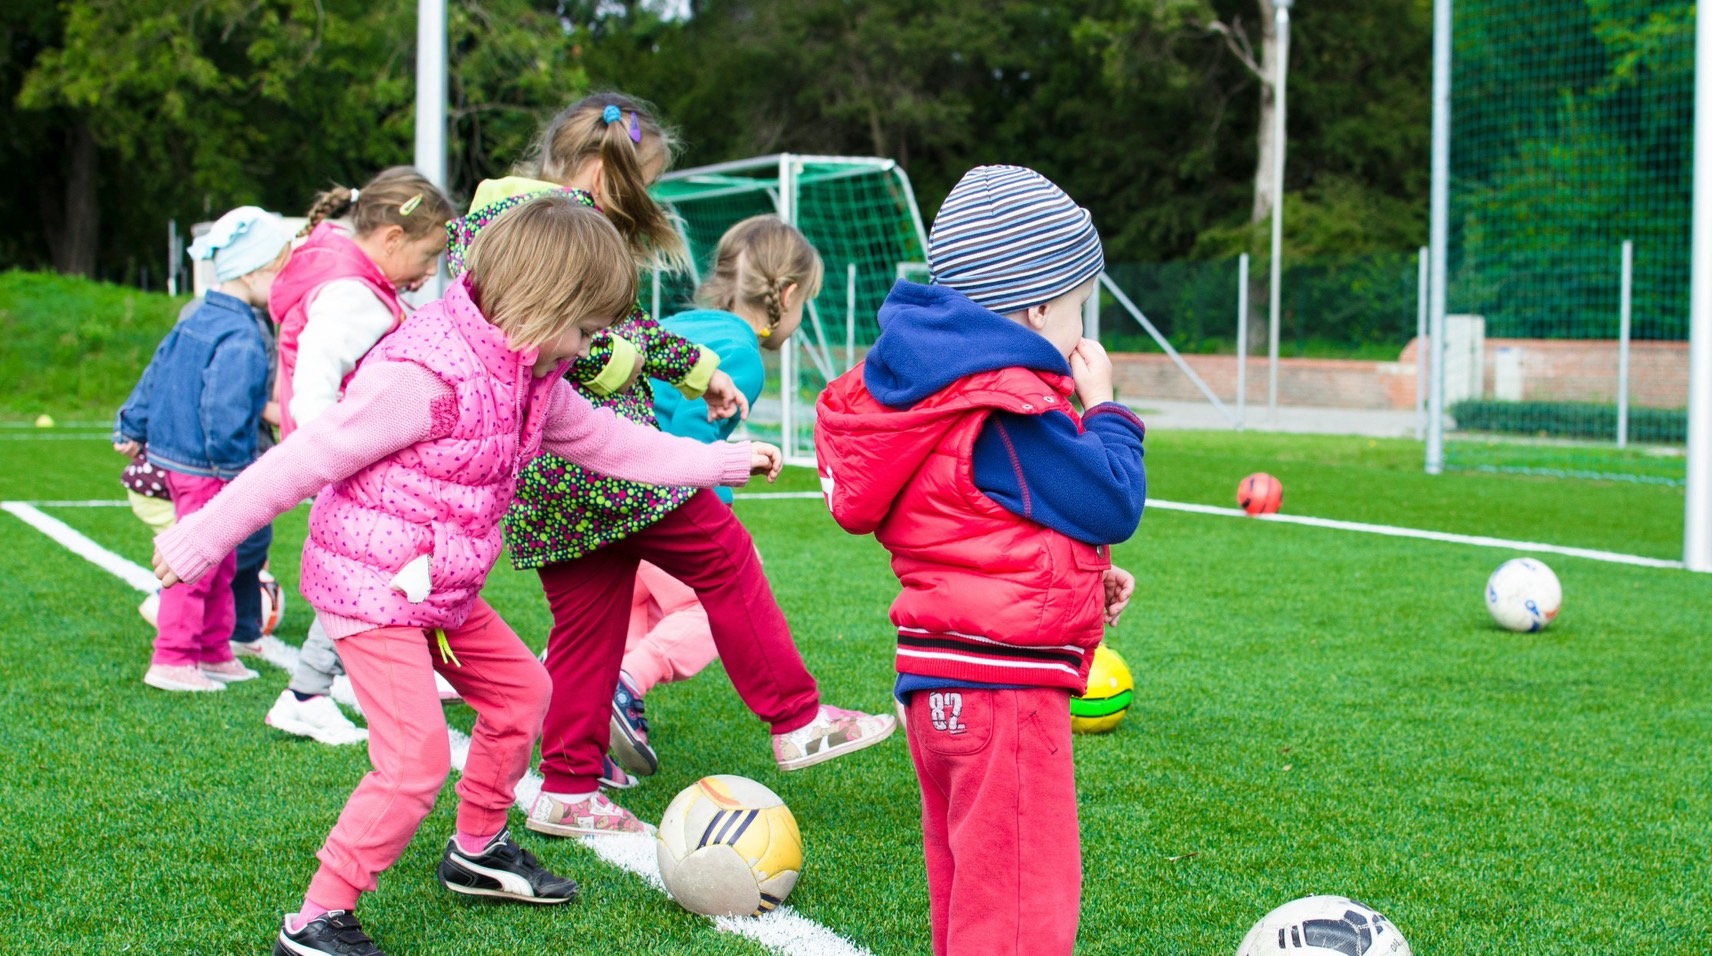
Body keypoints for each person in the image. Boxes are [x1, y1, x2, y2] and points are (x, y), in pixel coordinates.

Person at [149, 195, 782, 956]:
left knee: (524, 695)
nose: (591, 347)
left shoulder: (533, 374)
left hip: (437, 587)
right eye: (585, 329)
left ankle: (476, 849)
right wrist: (200, 539)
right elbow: (304, 458)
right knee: (413, 762)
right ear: (543, 303)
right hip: (373, 589)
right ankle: (316, 919)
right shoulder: (424, 375)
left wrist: (719, 460)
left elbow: (613, 445)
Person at [450, 93, 894, 838]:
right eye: (640, 184)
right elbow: (570, 341)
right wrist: (639, 374)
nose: (642, 202)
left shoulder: (505, 216)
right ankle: (797, 718)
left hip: (547, 480)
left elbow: (622, 325)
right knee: (724, 558)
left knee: (590, 628)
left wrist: (699, 373)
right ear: (599, 170)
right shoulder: (545, 226)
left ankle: (566, 788)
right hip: (603, 461)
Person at [814, 165, 1147, 956]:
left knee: (972, 898)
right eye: (1075, 308)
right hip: (1006, 691)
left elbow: (974, 525)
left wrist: (1081, 576)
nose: (1079, 331)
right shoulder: (1004, 404)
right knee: (1022, 917)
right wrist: (1105, 409)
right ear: (1034, 306)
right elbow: (1113, 500)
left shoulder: (932, 388)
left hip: (939, 684)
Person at [613, 215, 821, 764]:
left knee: (626, 617)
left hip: (603, 497)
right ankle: (626, 685)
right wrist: (719, 509)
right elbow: (686, 441)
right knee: (714, 606)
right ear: (789, 294)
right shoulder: (742, 356)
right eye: (806, 303)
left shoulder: (683, 322)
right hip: (648, 500)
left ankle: (586, 709)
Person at [263, 167, 457, 747]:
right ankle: (306, 692)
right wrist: (334, 455)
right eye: (427, 257)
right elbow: (316, 385)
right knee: (370, 573)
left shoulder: (353, 278)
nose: (429, 276)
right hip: (349, 461)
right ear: (392, 240)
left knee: (380, 569)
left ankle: (329, 684)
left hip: (348, 457)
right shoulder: (354, 296)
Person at [114, 206, 295, 693]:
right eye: (281, 270)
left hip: (185, 459)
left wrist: (131, 421)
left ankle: (214, 650)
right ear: (256, 271)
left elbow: (156, 369)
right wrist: (238, 471)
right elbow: (225, 408)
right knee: (197, 562)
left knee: (223, 560)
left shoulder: (199, 314)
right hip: (210, 466)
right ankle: (172, 657)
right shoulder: (240, 332)